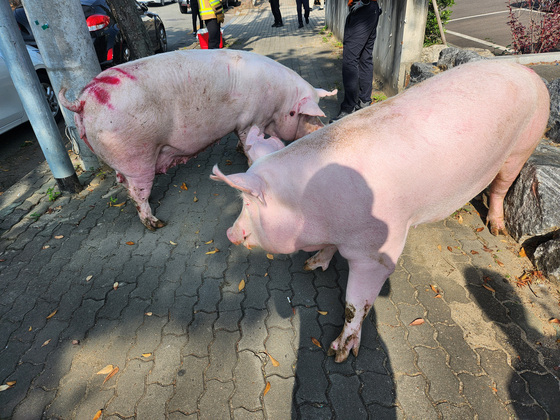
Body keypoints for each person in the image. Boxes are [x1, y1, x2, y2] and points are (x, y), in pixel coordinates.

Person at [330, 0, 381, 123]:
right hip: (370, 9)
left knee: (350, 61)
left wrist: (363, 2)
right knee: (365, 58)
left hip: (363, 9)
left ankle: (349, 108)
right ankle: (364, 102)